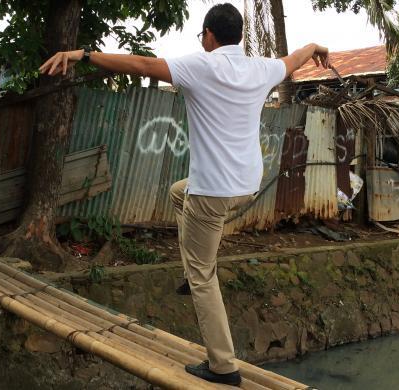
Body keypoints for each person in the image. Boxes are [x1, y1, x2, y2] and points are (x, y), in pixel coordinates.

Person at [40, 3, 329, 385]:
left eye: (202, 36)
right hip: (247, 186)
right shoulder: (261, 69)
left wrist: (83, 54)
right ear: (238, 36)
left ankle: (223, 366)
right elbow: (295, 59)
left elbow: (141, 65)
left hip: (213, 192)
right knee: (180, 193)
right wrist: (315, 46)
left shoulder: (201, 66)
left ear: (209, 35)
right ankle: (193, 266)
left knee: (203, 276)